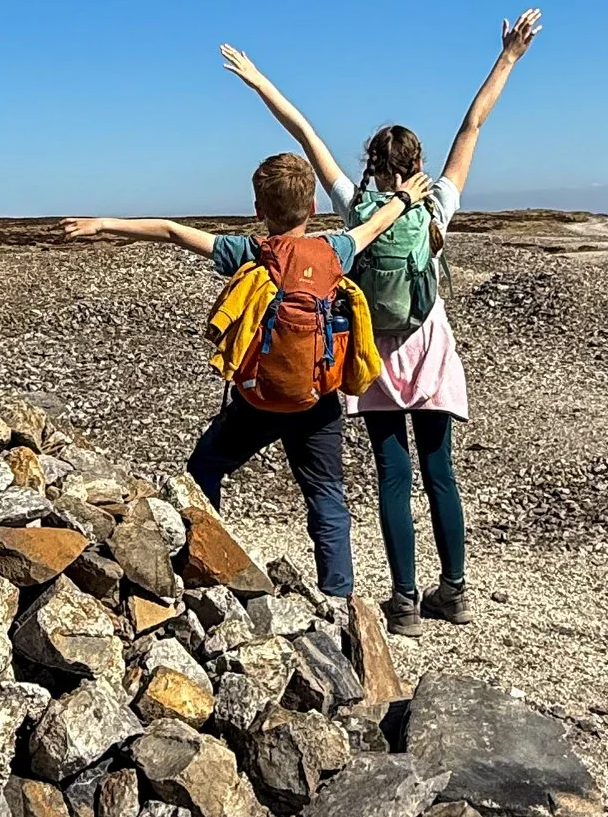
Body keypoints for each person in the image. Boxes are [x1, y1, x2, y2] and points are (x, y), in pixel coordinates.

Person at [218, 11, 542, 629]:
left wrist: (258, 79)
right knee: (439, 470)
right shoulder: (437, 202)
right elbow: (474, 122)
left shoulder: (357, 205)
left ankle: (404, 602)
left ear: (372, 163)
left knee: (392, 474)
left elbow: (304, 130)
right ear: (415, 162)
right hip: (431, 349)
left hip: (377, 358)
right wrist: (509, 57)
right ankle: (455, 590)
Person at [62, 150, 413, 599]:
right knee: (326, 493)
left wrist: (104, 224)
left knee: (205, 467)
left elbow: (173, 232)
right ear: (313, 208)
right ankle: (338, 598)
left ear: (258, 210)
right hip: (316, 398)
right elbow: (375, 226)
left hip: (257, 399)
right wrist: (402, 198)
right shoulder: (333, 251)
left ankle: (208, 569)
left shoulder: (251, 252)